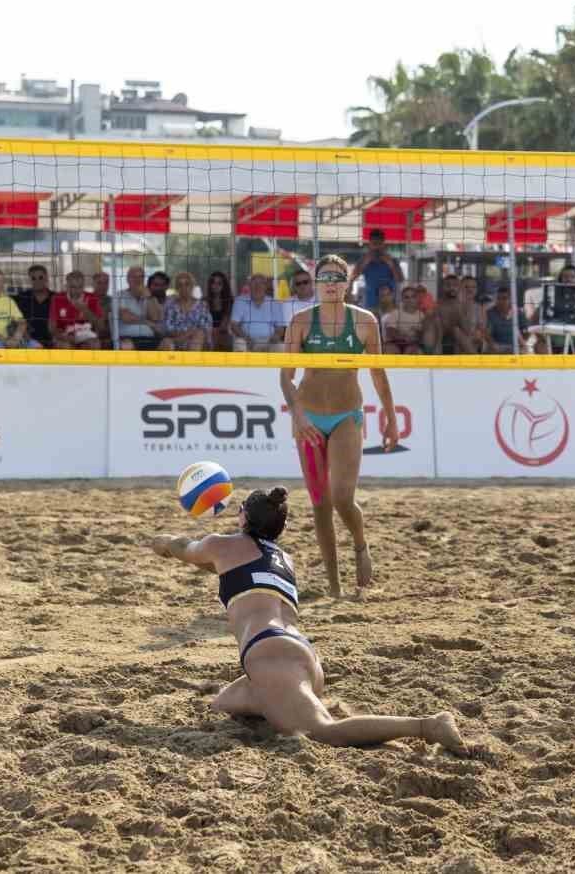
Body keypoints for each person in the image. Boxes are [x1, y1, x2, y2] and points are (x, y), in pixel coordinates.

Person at [147, 486, 467, 753]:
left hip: (272, 655)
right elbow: (227, 569)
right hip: (300, 656)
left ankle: (426, 725)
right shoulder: (285, 560)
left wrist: (162, 543)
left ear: (242, 515)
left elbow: (185, 548)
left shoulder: (221, 545)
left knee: (322, 732)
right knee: (222, 706)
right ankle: (287, 707)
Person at [281, 255, 397, 599]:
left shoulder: (364, 321)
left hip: (347, 415)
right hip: (309, 419)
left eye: (337, 277)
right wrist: (298, 414)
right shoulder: (301, 321)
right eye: (325, 277)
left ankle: (360, 543)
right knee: (320, 503)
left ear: (347, 284)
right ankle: (334, 586)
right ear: (317, 283)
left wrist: (391, 419)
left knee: (343, 498)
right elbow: (286, 377)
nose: (331, 283)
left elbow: (378, 373)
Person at [231, 273, 286, 353]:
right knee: (240, 343)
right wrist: (245, 337)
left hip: (269, 340)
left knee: (282, 347)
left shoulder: (274, 303)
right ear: (249, 286)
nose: (258, 286)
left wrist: (275, 337)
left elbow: (280, 328)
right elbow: (234, 325)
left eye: (261, 283)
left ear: (265, 286)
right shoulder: (240, 301)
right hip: (246, 339)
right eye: (254, 283)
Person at [50, 269, 103, 350]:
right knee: (66, 346)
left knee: (95, 344)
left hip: (86, 336)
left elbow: (101, 326)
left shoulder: (92, 298)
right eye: (73, 287)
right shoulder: (57, 298)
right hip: (64, 336)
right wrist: (63, 336)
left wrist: (85, 310)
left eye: (80, 287)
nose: (77, 291)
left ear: (83, 286)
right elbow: (51, 327)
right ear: (67, 286)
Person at [161, 271, 213, 352]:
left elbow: (205, 329)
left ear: (192, 286)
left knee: (198, 336)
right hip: (176, 340)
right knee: (166, 342)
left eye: (187, 284)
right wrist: (187, 334)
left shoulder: (202, 306)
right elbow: (167, 329)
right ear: (176, 288)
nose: (183, 288)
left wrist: (187, 335)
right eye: (180, 285)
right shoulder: (170, 305)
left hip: (198, 342)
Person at [115, 266, 162, 351]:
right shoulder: (119, 295)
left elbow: (155, 318)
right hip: (127, 337)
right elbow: (126, 317)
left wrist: (149, 297)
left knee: (167, 344)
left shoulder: (149, 297)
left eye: (141, 277)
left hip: (149, 337)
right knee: (126, 346)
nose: (138, 280)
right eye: (134, 277)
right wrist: (148, 323)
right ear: (128, 279)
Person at [353, 228, 401, 312]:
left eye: (379, 244)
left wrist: (391, 265)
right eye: (374, 244)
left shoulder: (393, 260)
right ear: (369, 245)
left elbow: (400, 279)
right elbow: (353, 277)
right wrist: (365, 262)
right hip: (370, 305)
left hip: (389, 305)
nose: (377, 247)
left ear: (384, 245)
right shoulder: (363, 260)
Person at [381, 285, 427, 355]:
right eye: (406, 297)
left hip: (413, 344)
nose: (410, 300)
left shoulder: (422, 315)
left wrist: (417, 336)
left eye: (413, 296)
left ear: (417, 298)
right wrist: (402, 337)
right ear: (402, 300)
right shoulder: (396, 313)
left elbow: (423, 334)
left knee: (414, 351)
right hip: (395, 343)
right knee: (389, 349)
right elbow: (390, 330)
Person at [483, 285, 529, 354]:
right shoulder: (489, 313)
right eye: (498, 298)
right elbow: (487, 334)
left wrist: (522, 343)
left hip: (515, 346)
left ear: (510, 299)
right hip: (496, 346)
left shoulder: (519, 313)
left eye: (504, 298)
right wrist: (495, 346)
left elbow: (526, 331)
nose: (501, 301)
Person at [19, 265, 55, 349]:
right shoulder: (22, 297)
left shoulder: (56, 298)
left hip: (52, 342)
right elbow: (14, 320)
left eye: (40, 277)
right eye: (33, 278)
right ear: (29, 280)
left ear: (47, 278)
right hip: (28, 342)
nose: (37, 281)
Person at [204, 271, 235, 353]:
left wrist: (214, 332)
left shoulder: (230, 301)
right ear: (210, 285)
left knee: (224, 339)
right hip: (207, 333)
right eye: (213, 283)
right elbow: (203, 323)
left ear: (224, 285)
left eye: (219, 283)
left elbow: (224, 325)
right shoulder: (204, 301)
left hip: (223, 333)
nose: (215, 286)